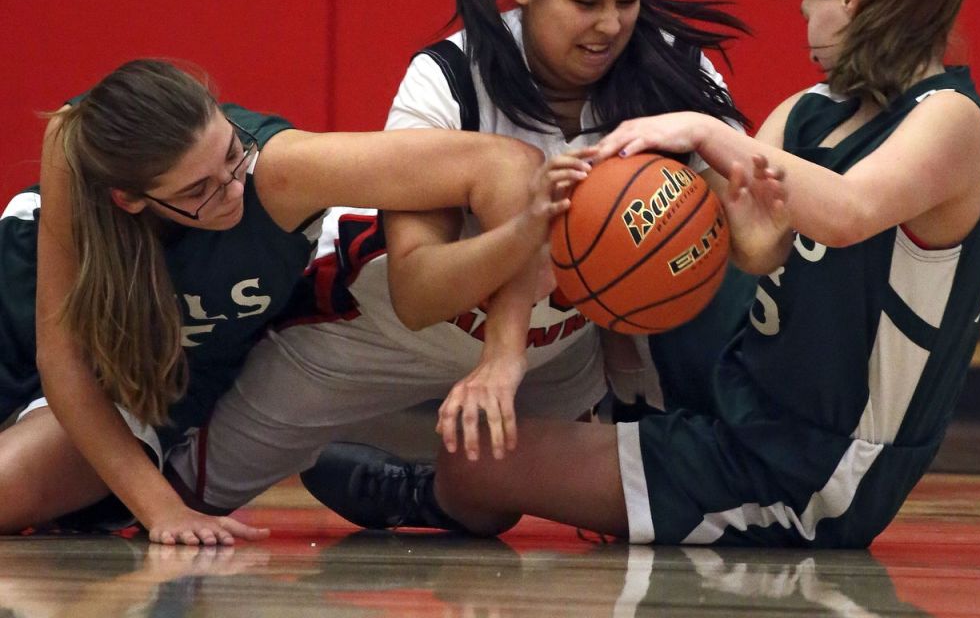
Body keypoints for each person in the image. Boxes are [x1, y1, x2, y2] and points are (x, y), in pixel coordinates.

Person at [313, 0, 980, 549]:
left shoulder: (950, 119)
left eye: (809, 1)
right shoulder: (809, 111)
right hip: (744, 391)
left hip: (821, 466)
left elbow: (851, 213)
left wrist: (702, 130)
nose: (805, 23)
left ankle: (434, 496)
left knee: (472, 466)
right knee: (635, 220)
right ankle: (622, 421)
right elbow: (756, 250)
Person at [163, 0, 759, 518]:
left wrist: (719, 162)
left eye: (628, 0)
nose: (610, 25)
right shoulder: (449, 80)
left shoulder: (674, 72)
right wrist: (533, 234)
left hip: (559, 343)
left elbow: (750, 236)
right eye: (585, 2)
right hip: (379, 327)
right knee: (193, 495)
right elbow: (417, 294)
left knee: (490, 500)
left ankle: (413, 494)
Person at [0, 58, 573, 545]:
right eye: (197, 191)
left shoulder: (276, 172)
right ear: (128, 199)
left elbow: (506, 162)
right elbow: (62, 358)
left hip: (125, 387)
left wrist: (503, 354)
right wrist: (162, 512)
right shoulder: (80, 147)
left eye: (230, 155)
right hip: (23, 321)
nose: (230, 190)